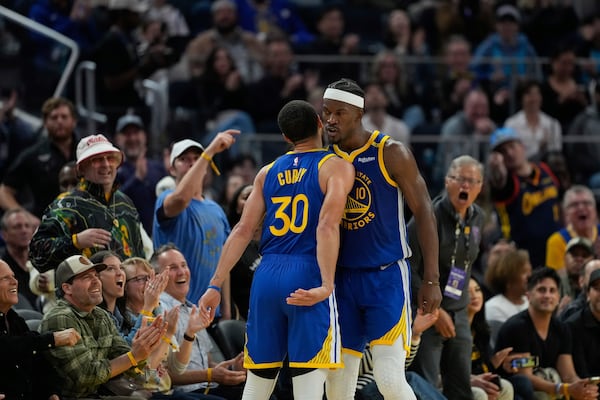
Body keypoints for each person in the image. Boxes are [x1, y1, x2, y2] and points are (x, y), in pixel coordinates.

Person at [199, 99, 354, 400]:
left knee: (257, 384)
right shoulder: (335, 167)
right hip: (307, 271)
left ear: (285, 138)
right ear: (320, 124)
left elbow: (242, 230)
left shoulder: (267, 172)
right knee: (308, 386)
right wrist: (326, 283)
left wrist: (214, 284)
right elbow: (326, 226)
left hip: (267, 274)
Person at [321, 78, 442, 400]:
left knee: (389, 379)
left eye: (339, 113)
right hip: (342, 280)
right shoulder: (324, 158)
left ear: (359, 115)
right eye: (326, 112)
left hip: (385, 276)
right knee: (337, 386)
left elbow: (425, 211)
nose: (330, 120)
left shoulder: (390, 153)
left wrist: (431, 279)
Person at [408, 155, 486, 399]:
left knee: (461, 387)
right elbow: (408, 268)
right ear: (447, 181)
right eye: (460, 179)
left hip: (459, 313)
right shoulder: (426, 217)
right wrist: (434, 310)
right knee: (427, 386)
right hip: (428, 313)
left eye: (472, 181)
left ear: (480, 187)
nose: (466, 186)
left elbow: (466, 262)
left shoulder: (478, 218)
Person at [40, 254, 166, 398]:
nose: (96, 281)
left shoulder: (101, 315)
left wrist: (145, 358)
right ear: (67, 288)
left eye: (95, 275)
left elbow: (123, 354)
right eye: (86, 277)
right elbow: (84, 376)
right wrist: (133, 356)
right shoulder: (60, 318)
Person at [29, 134, 146, 273]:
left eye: (110, 158)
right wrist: (75, 242)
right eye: (96, 160)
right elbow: (37, 254)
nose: (106, 164)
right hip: (85, 293)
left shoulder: (125, 202)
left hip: (126, 292)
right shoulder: (66, 205)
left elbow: (139, 254)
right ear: (81, 169)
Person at [152, 131, 238, 306]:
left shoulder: (216, 210)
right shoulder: (166, 198)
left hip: (211, 311)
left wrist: (226, 310)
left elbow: (224, 261)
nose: (192, 163)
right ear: (172, 169)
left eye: (196, 158)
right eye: (184, 159)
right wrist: (210, 151)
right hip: (173, 309)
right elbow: (182, 199)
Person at [152, 244, 247, 398]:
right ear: (157, 276)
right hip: (184, 394)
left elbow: (208, 363)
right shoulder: (159, 310)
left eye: (184, 265)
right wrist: (211, 375)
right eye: (173, 268)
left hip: (210, 388)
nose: (182, 272)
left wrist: (231, 369)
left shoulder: (193, 309)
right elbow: (165, 373)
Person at [494, 267, 598, 400]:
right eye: (541, 290)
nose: (547, 295)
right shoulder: (517, 327)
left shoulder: (562, 328)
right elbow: (526, 376)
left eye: (552, 291)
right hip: (515, 390)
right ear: (528, 295)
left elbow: (568, 374)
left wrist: (583, 388)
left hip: (549, 386)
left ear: (559, 297)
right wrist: (564, 388)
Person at [0, 259, 81, 400]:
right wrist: (52, 339)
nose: (14, 281)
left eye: (13, 276)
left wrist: (52, 392)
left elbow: (40, 365)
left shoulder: (16, 321)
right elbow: (5, 346)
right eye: (5, 278)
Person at [487, 126, 561, 269]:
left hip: (553, 249)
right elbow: (499, 180)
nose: (509, 153)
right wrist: (496, 168)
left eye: (511, 146)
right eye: (502, 151)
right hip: (522, 256)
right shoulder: (508, 183)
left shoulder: (545, 169)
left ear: (522, 146)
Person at [0, 97, 78, 220]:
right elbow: (4, 191)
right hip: (46, 226)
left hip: (84, 222)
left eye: (64, 117)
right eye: (54, 117)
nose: (59, 121)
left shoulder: (87, 151)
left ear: (74, 121)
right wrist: (26, 218)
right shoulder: (33, 154)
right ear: (45, 122)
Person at [115, 113, 168, 233]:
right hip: (128, 238)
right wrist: (136, 179)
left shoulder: (158, 168)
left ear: (144, 136)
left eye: (136, 133)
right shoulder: (112, 171)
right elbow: (112, 204)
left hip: (158, 236)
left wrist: (174, 174)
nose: (132, 138)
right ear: (118, 139)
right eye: (127, 134)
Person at [467, 278, 514, 400]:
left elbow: (484, 369)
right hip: (456, 382)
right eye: (468, 292)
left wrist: (496, 362)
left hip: (477, 379)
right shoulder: (450, 330)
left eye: (477, 290)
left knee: (505, 386)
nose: (474, 296)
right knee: (480, 394)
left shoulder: (482, 331)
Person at [504, 80, 562, 161]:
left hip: (546, 168)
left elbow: (556, 152)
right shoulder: (511, 124)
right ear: (521, 98)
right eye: (529, 94)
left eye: (537, 94)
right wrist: (540, 148)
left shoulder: (552, 124)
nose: (534, 98)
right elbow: (510, 153)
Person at [484, 248, 532, 344]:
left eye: (530, 271)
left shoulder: (531, 302)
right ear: (509, 278)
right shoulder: (494, 307)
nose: (530, 276)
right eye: (524, 272)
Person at [546, 185, 599, 271]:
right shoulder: (556, 241)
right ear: (566, 213)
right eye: (574, 205)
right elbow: (556, 280)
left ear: (595, 209)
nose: (581, 208)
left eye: (586, 203)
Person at [564, 268, 600, 377]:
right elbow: (581, 373)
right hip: (587, 388)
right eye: (597, 289)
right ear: (588, 294)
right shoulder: (573, 326)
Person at [0, 208, 37, 306]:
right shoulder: (1, 264)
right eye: (17, 227)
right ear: (4, 235)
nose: (24, 230)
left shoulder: (42, 260)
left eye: (27, 226)